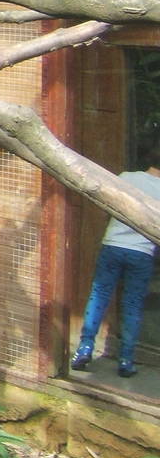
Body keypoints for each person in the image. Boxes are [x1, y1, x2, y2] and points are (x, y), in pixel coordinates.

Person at [72, 149, 160, 378]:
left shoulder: (126, 178)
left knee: (99, 296)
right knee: (132, 305)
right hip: (142, 253)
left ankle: (85, 348)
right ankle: (126, 360)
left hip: (112, 246)